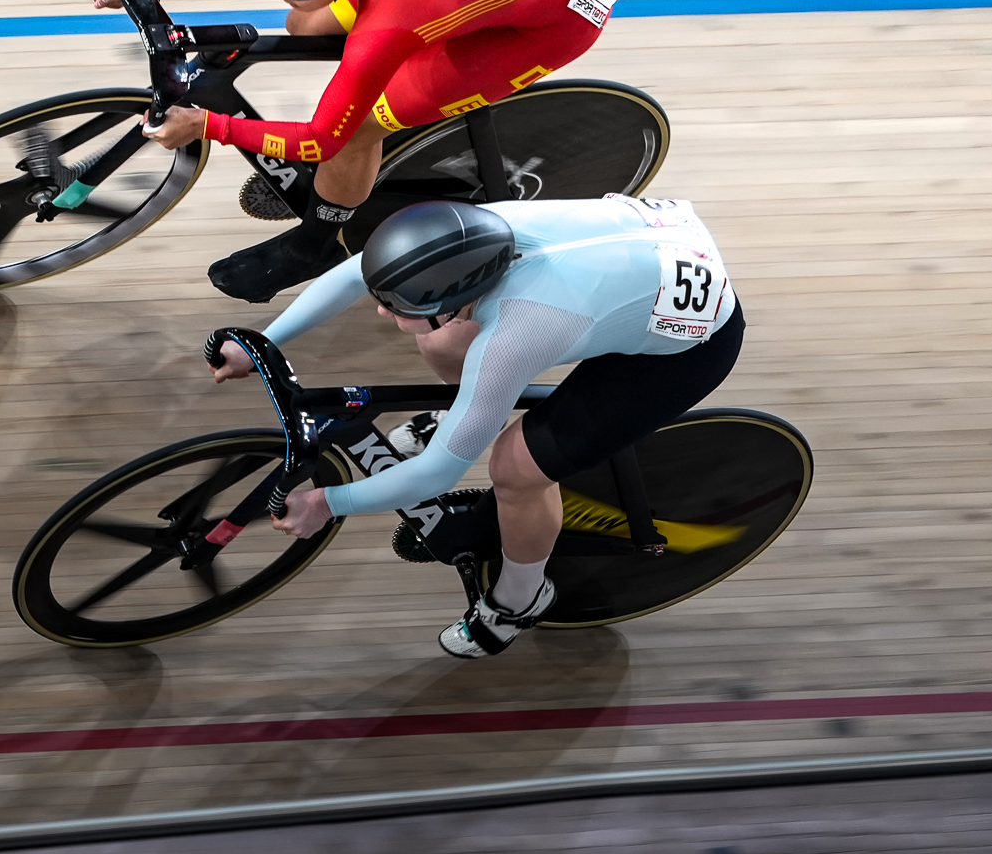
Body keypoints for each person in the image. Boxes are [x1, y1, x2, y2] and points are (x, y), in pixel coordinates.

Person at [208, 195, 742, 659]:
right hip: (628, 274)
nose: (378, 312)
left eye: (397, 305)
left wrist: (329, 504)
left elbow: (437, 475)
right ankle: (468, 414)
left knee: (515, 469)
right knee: (437, 339)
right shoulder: (474, 229)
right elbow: (355, 273)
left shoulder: (517, 331)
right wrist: (264, 344)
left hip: (680, 352)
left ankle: (520, 599)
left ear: (456, 299)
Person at [92, 0, 620, 303]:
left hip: (552, 19)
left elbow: (321, 140)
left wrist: (208, 125)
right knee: (305, 25)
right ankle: (375, 96)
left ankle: (317, 243)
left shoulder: (398, 12)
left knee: (357, 127)